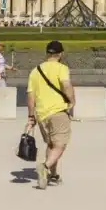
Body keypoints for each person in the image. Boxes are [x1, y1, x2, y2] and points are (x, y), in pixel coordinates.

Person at [26, 41, 75, 190]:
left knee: (51, 144)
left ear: (47, 54)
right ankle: (45, 166)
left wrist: (31, 116)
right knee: (61, 144)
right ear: (60, 54)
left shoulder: (35, 71)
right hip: (58, 111)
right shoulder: (62, 68)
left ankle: (52, 175)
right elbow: (66, 85)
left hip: (42, 113)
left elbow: (30, 96)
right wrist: (72, 101)